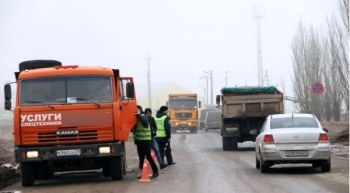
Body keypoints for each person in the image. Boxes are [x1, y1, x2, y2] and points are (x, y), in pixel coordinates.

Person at [134, 105, 159, 179]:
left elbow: (145, 122)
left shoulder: (143, 116)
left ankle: (155, 171)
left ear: (140, 110)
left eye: (137, 109)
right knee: (141, 157)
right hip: (139, 140)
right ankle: (142, 173)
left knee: (148, 156)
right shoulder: (134, 117)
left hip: (146, 140)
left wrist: (138, 114)